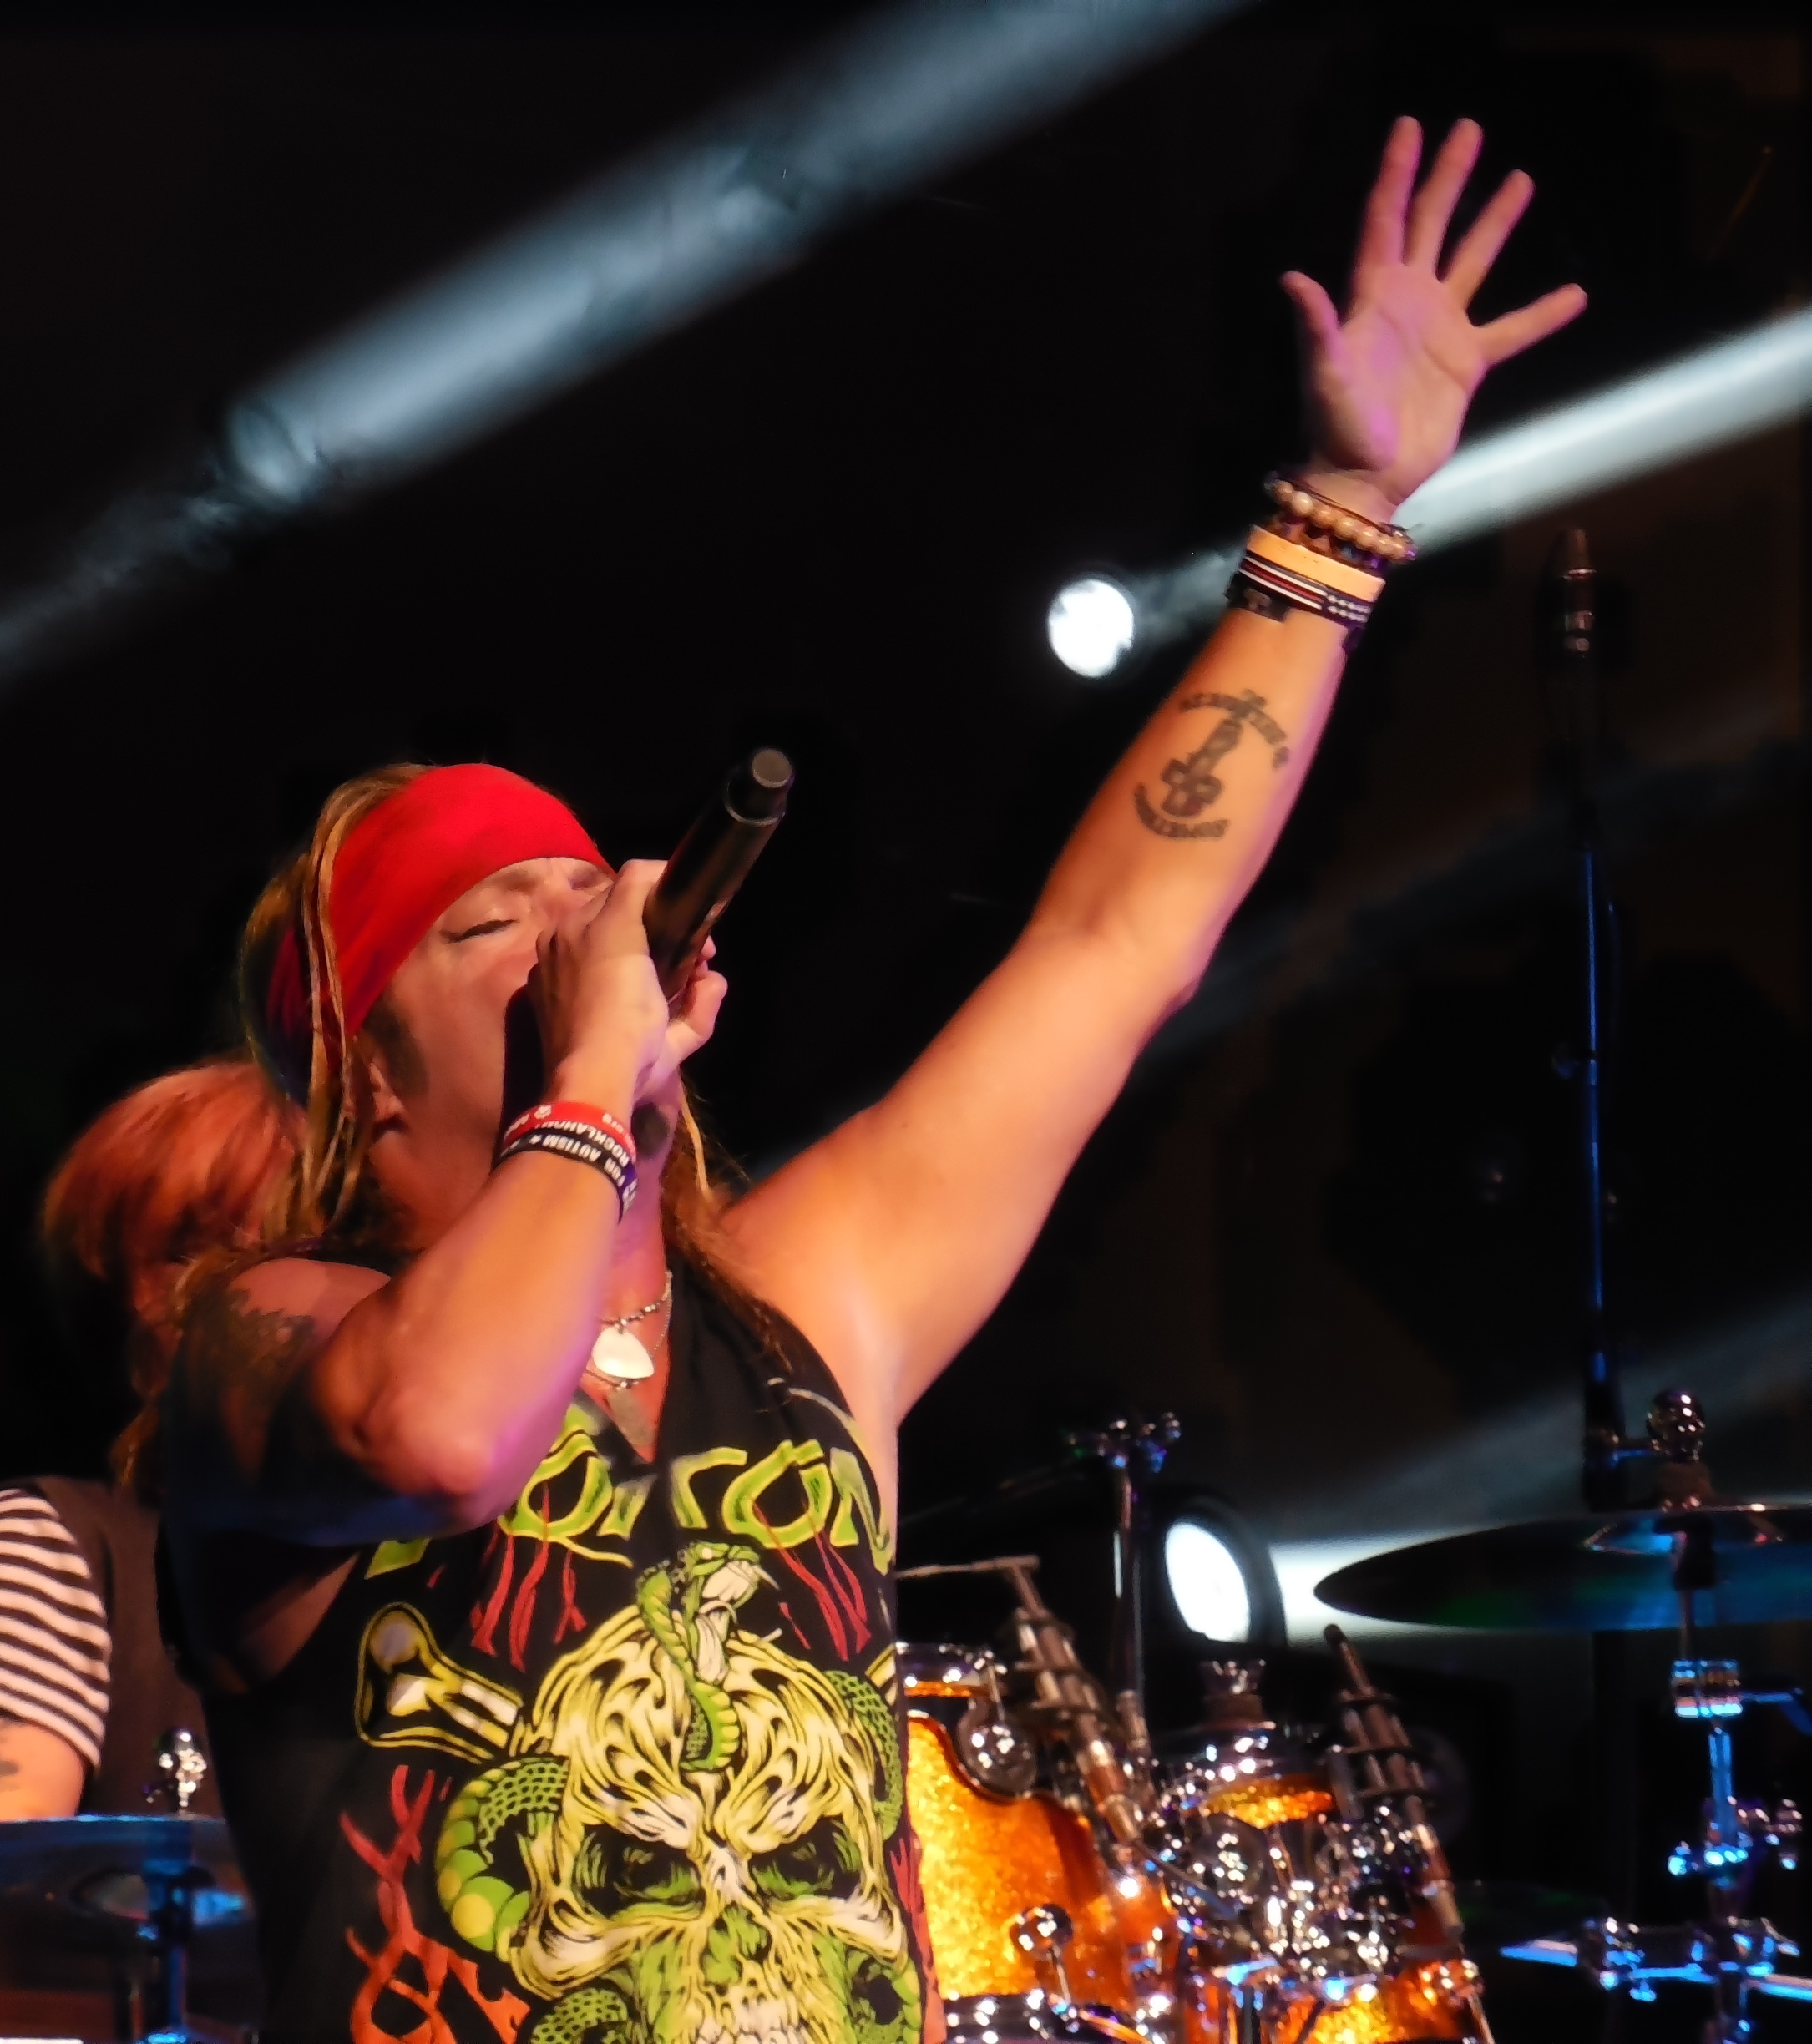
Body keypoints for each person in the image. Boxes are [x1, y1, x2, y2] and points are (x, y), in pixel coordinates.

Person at [157, 119, 1582, 2043]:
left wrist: (1333, 518)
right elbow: (437, 1433)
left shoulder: (804, 1298)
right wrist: (588, 1081)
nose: (590, 926)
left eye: (591, 891)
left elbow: (1111, 949)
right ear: (368, 1068)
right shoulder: (266, 1342)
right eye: (498, 921)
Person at [0, 1055, 296, 1826]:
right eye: (192, 1250)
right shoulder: (55, 1547)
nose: (250, 1286)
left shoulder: (480, 1571)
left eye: (293, 1240)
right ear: (127, 1314)